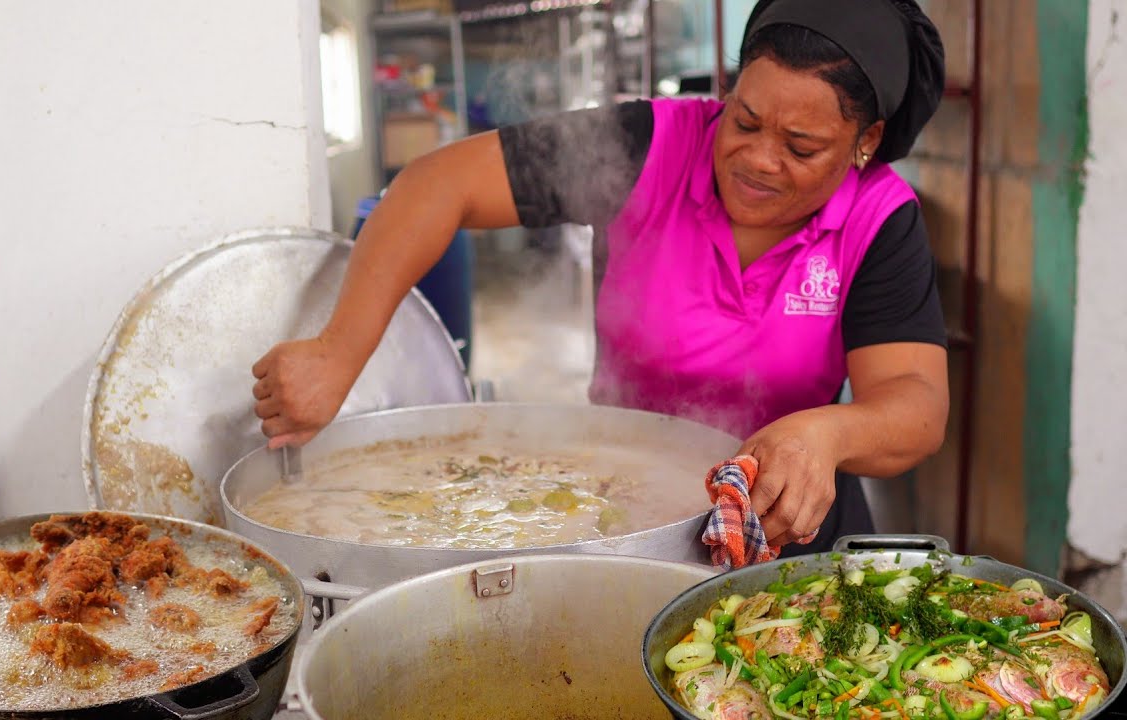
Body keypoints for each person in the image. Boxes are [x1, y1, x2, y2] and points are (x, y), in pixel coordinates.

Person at [251, 0, 950, 556]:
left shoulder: (880, 220)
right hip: (619, 515)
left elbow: (915, 405)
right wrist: (338, 351)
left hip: (789, 540)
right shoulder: (646, 147)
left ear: (866, 141)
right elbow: (437, 185)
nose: (759, 160)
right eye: (746, 120)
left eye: (801, 147)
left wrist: (825, 436)